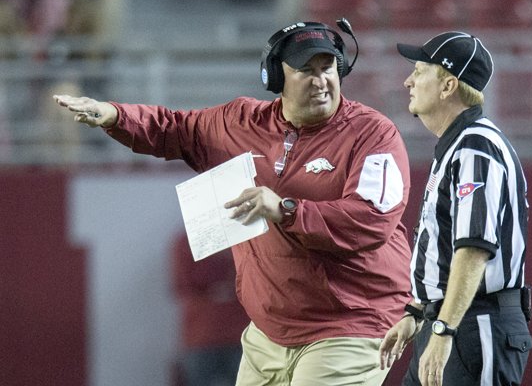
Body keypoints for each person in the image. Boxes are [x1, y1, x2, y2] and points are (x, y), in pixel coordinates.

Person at [54, 19, 413, 385]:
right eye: (306, 70)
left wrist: (286, 210)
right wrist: (115, 116)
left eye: (328, 68)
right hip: (269, 333)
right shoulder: (242, 122)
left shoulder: (372, 133)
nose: (322, 80)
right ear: (275, 79)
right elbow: (174, 128)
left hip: (350, 322)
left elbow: (371, 219)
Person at [379, 32, 532, 386]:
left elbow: (474, 249)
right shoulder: (457, 145)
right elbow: (447, 247)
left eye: (419, 71)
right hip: (450, 321)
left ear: (448, 85)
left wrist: (444, 329)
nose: (408, 81)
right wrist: (417, 313)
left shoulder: (474, 146)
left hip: (473, 323)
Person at [170, 233, 249, 386]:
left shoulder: (243, 235)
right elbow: (183, 287)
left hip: (222, 337)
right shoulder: (186, 242)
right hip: (208, 338)